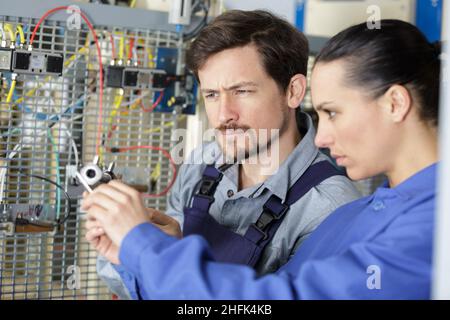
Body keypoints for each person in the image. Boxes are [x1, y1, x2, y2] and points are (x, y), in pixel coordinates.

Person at [83, 18, 440, 299]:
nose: (325, 137)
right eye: (211, 94)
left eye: (332, 113)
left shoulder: (428, 227)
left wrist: (145, 247)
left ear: (395, 103)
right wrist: (139, 253)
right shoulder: (362, 214)